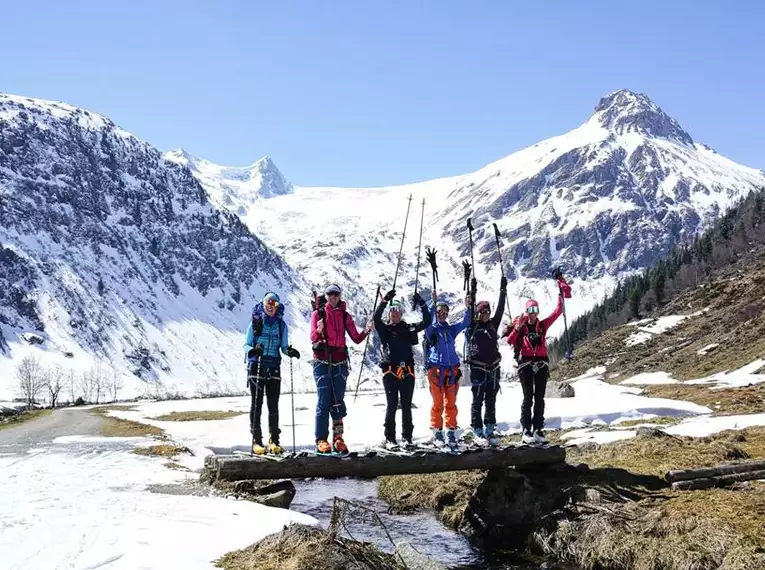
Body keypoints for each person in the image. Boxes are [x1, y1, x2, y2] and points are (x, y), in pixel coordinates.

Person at [506, 274, 572, 444]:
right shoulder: (521, 326)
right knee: (528, 397)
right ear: (526, 311)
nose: (533, 314)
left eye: (535, 310)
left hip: (541, 363)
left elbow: (557, 313)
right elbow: (510, 341)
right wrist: (518, 327)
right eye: (530, 310)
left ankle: (538, 428)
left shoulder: (542, 325)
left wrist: (560, 295)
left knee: (540, 398)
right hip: (526, 364)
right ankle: (526, 429)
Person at [310, 283, 373, 454]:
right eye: (330, 294)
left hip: (340, 363)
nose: (333, 297)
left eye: (336, 294)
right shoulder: (318, 314)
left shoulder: (345, 316)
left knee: (338, 401)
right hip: (322, 362)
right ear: (326, 296)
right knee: (324, 402)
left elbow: (356, 338)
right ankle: (321, 439)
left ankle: (338, 438)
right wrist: (318, 329)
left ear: (340, 296)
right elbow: (313, 338)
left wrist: (367, 330)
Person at [374, 289, 431, 450]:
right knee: (391, 405)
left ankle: (407, 438)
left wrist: (421, 302)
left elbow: (427, 321)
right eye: (393, 311)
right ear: (389, 313)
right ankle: (390, 438)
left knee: (406, 405)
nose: (395, 313)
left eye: (398, 310)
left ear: (401, 312)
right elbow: (376, 318)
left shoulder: (408, 328)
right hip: (390, 372)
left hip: (408, 371)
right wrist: (385, 300)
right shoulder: (384, 329)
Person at [244, 292, 300, 455]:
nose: (270, 306)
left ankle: (274, 441)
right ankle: (257, 440)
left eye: (274, 304)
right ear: (263, 304)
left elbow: (283, 347)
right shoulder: (255, 323)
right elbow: (246, 345)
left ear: (277, 306)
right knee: (257, 404)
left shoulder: (282, 326)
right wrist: (254, 350)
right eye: (268, 303)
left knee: (273, 405)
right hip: (257, 366)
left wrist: (289, 351)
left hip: (274, 365)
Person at [424, 290, 473, 447]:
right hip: (436, 371)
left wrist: (468, 307)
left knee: (451, 403)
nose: (442, 314)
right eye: (439, 312)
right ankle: (437, 432)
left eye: (445, 312)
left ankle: (451, 431)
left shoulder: (451, 329)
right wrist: (432, 304)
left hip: (451, 371)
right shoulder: (432, 329)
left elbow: (465, 322)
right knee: (438, 403)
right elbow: (427, 325)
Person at [465, 275, 507, 444]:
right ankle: (477, 430)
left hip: (494, 369)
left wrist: (503, 290)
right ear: (478, 313)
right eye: (482, 312)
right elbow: (468, 312)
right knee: (477, 400)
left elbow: (501, 309)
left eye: (487, 311)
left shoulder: (493, 324)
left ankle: (490, 430)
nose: (486, 314)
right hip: (477, 369)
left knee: (491, 400)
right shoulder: (472, 325)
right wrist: (472, 292)